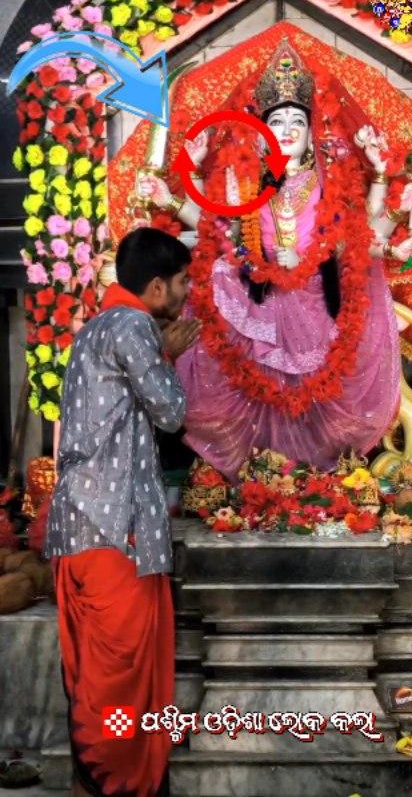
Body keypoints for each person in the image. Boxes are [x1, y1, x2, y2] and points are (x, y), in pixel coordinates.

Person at [137, 39, 412, 482]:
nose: (289, 128)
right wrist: (175, 194)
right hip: (258, 289)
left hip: (317, 295)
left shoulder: (329, 181)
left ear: (314, 133)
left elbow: (355, 238)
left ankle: (320, 469)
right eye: (278, 120)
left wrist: (388, 219)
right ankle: (255, 469)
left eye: (298, 121)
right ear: (262, 132)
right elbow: (220, 232)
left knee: (355, 302)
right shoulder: (245, 179)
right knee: (213, 279)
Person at [45, 228, 201, 797]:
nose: (188, 293)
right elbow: (170, 411)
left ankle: (100, 782)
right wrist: (172, 353)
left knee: (93, 671)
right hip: (113, 531)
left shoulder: (95, 327)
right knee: (120, 677)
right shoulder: (134, 326)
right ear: (157, 286)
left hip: (80, 526)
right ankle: (121, 784)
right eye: (183, 282)